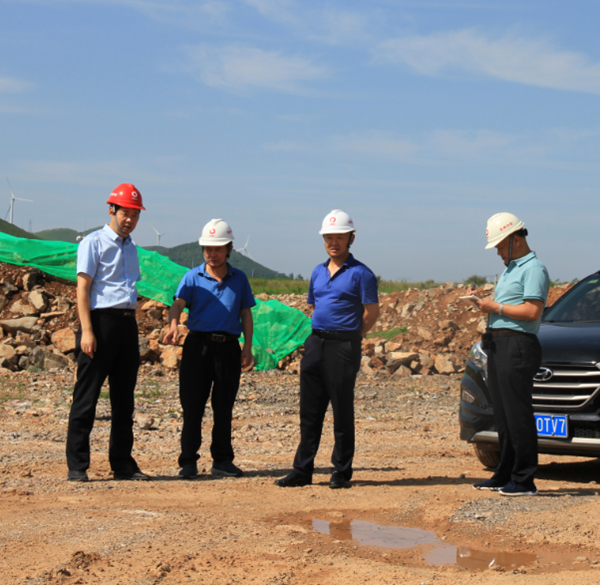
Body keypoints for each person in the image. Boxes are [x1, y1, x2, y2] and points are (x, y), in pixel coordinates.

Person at [275, 210, 380, 489]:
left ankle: (341, 471)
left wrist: (352, 336)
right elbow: (314, 305)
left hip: (343, 345)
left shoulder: (361, 274)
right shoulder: (317, 272)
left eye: (340, 237)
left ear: (351, 239)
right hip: (316, 343)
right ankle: (302, 470)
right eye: (329, 237)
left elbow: (372, 312)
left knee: (341, 410)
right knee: (309, 411)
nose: (334, 242)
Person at [66, 183, 150, 482]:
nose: (130, 220)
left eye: (135, 215)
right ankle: (77, 465)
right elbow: (83, 289)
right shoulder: (94, 243)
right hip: (100, 324)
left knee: (124, 400)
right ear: (111, 210)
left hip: (127, 324)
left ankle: (123, 464)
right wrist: (87, 331)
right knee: (87, 396)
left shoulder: (132, 248)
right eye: (125, 213)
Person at [163, 218, 255, 480]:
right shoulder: (192, 277)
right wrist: (173, 324)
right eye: (207, 249)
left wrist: (247, 347)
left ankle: (222, 460)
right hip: (198, 347)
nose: (212, 254)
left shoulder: (239, 279)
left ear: (229, 249)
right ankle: (188, 462)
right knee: (192, 405)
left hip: (228, 348)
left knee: (224, 406)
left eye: (217, 248)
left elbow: (246, 314)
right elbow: (178, 304)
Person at [469, 212, 549, 496]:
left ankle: (524, 480)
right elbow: (507, 308)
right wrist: (484, 304)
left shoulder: (534, 269)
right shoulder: (511, 270)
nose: (499, 252)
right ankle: (505, 474)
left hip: (518, 345)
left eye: (501, 246)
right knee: (503, 415)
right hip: (499, 345)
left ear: (516, 239)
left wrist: (495, 307)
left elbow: (532, 311)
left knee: (517, 414)